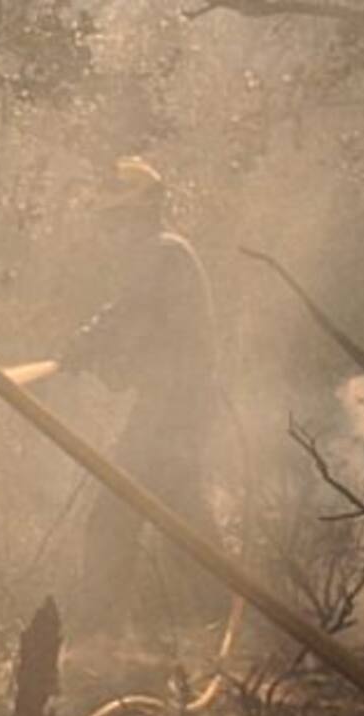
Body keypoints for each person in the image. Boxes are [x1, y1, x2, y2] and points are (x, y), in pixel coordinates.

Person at [62, 157, 228, 649]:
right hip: (171, 406)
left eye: (116, 220)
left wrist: (87, 344)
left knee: (114, 517)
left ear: (140, 212)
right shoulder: (160, 256)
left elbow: (125, 317)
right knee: (183, 521)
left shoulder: (163, 252)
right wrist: (97, 355)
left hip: (173, 410)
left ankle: (95, 641)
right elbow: (142, 338)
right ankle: (219, 624)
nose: (110, 231)